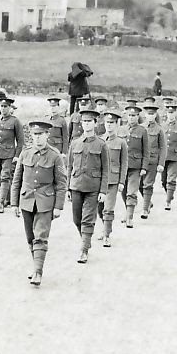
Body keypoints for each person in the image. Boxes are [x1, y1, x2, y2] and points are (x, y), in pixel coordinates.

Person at [10, 120, 68, 286]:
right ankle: (35, 264)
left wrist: (58, 206)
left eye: (41, 134)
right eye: (35, 134)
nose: (38, 138)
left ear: (47, 135)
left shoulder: (55, 156)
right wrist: (14, 203)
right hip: (27, 200)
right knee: (30, 237)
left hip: (45, 202)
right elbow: (17, 179)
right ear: (31, 135)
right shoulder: (25, 153)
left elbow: (61, 183)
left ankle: (38, 271)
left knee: (40, 237)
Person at [67, 109, 109, 264]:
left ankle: (83, 250)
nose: (86, 124)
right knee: (76, 219)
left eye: (89, 121)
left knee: (88, 220)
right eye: (84, 122)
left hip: (93, 188)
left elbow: (106, 169)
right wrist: (68, 189)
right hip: (76, 186)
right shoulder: (75, 143)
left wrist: (103, 191)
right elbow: (69, 167)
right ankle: (86, 239)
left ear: (95, 123)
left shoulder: (102, 145)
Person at [0, 97, 24, 212]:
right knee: (2, 177)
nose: (3, 109)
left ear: (10, 107)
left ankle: (1, 203)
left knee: (5, 177)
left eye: (5, 106)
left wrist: (17, 155)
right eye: (1, 106)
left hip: (9, 154)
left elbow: (20, 140)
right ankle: (10, 200)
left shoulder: (15, 121)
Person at [97, 111, 127, 247]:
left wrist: (121, 181)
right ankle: (105, 228)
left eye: (112, 123)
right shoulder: (100, 140)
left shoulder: (121, 142)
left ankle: (107, 235)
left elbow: (124, 163)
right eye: (107, 123)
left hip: (113, 180)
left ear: (117, 124)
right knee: (99, 208)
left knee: (108, 209)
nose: (109, 126)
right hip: (99, 181)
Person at [121, 105, 148, 228]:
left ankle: (130, 218)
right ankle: (127, 212)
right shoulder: (121, 130)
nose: (131, 118)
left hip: (136, 167)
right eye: (129, 115)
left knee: (131, 192)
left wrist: (144, 167)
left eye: (134, 115)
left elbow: (146, 151)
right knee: (123, 191)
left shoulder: (142, 131)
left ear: (138, 117)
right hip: (122, 166)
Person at [140, 105, 167, 219]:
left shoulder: (159, 129)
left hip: (152, 161)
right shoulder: (140, 128)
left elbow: (163, 147)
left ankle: (145, 209)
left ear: (155, 115)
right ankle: (148, 201)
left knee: (148, 185)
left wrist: (161, 164)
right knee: (139, 185)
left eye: (152, 114)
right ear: (145, 115)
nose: (150, 116)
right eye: (148, 114)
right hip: (139, 161)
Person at [161, 101, 177, 211]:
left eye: (172, 112)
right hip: (164, 157)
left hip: (175, 157)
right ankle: (170, 194)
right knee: (163, 180)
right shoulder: (162, 126)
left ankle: (168, 201)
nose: (170, 115)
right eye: (168, 112)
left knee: (171, 179)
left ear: (175, 113)